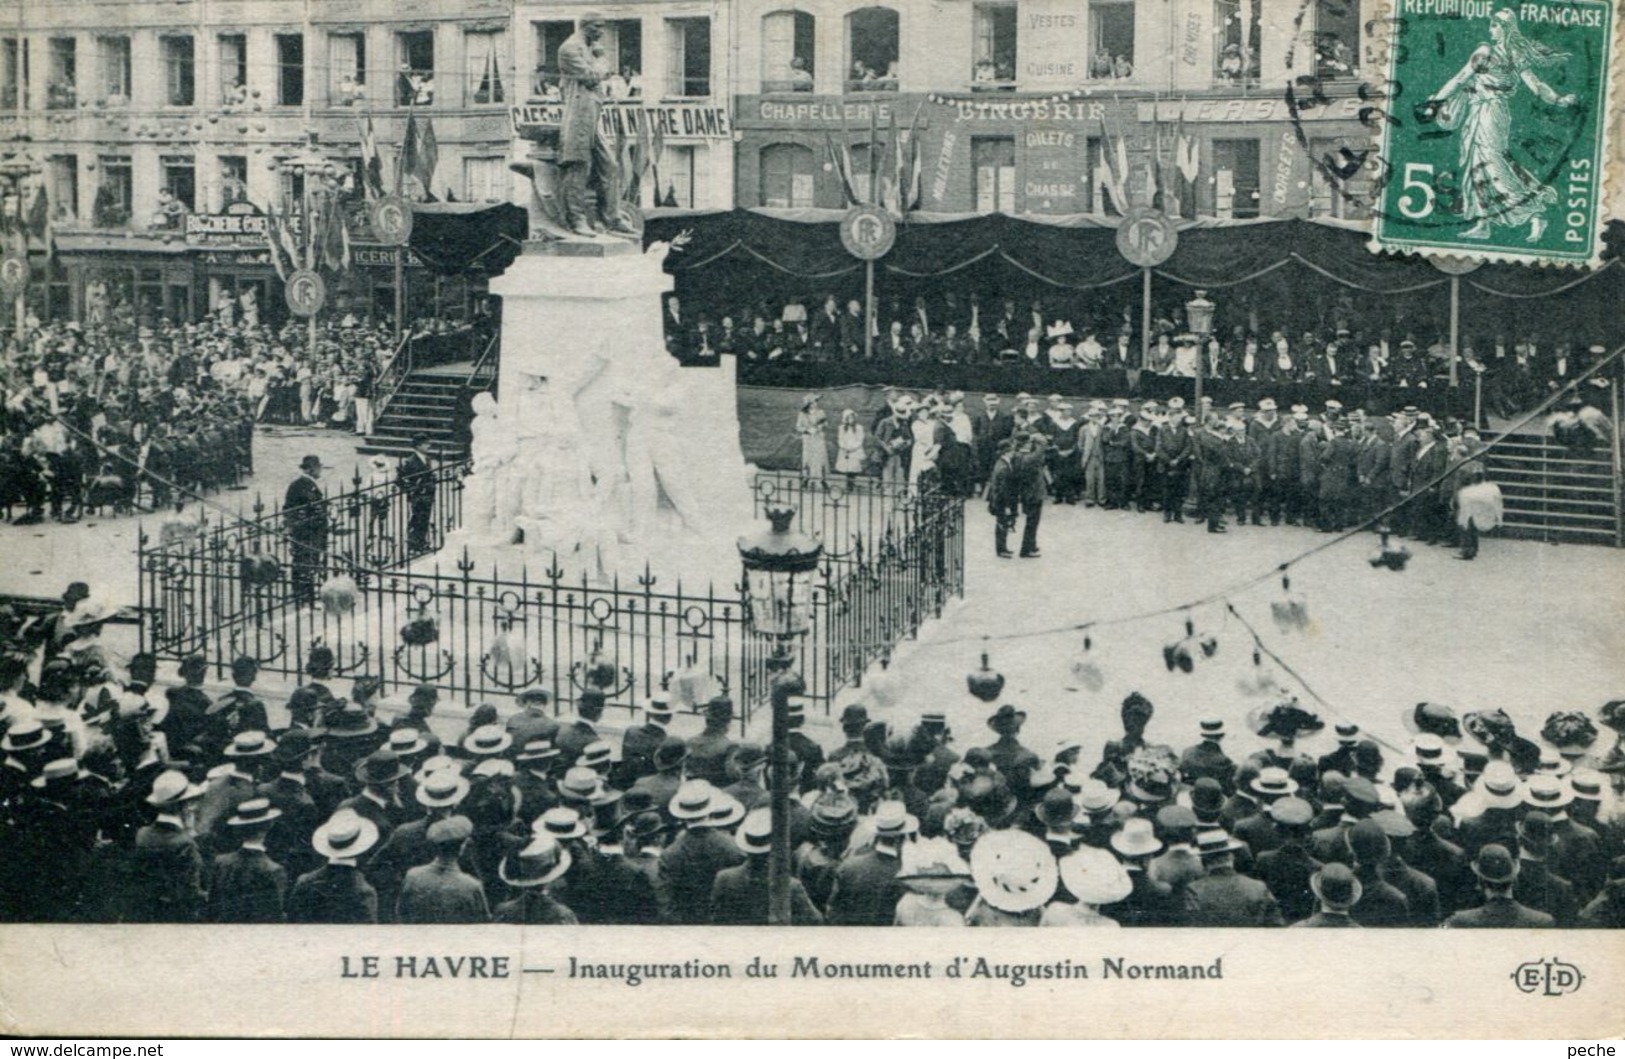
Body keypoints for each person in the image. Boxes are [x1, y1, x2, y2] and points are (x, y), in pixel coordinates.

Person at [1422, 8, 1576, 242]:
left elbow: (1534, 84)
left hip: (1492, 113)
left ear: (1505, 28)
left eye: (1494, 25)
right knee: (1477, 165)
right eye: (1491, 25)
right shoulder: (1490, 52)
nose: (1490, 29)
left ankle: (1535, 213)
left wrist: (1557, 99)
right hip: (1479, 111)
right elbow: (1461, 78)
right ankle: (1483, 223)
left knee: (1493, 164)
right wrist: (1435, 102)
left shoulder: (1507, 54)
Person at [556, 13, 630, 236]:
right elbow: (592, 76)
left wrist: (598, 61)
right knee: (579, 165)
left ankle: (613, 217)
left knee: (610, 164)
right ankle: (576, 219)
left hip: (592, 113)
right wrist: (602, 60)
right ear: (585, 26)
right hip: (578, 114)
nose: (601, 32)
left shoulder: (586, 47)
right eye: (597, 27)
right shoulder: (570, 48)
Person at [284, 454, 328, 607]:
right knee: (306, 560)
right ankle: (303, 593)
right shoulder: (303, 484)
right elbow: (313, 505)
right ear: (311, 469)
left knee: (307, 561)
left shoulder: (307, 482)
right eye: (318, 467)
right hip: (307, 530)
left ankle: (303, 591)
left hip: (308, 529)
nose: (320, 470)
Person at [398, 434, 437, 554]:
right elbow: (400, 479)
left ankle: (421, 543)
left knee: (424, 519)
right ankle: (413, 544)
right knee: (417, 519)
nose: (429, 446)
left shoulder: (427, 458)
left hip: (428, 494)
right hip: (418, 496)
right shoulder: (410, 461)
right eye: (426, 444)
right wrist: (411, 489)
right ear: (418, 446)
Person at [796, 394, 829, 481]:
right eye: (813, 402)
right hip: (808, 439)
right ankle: (806, 479)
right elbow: (798, 426)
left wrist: (819, 427)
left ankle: (822, 479)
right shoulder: (802, 414)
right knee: (808, 459)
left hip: (818, 438)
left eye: (816, 402)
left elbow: (825, 423)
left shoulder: (821, 412)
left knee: (820, 458)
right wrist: (807, 430)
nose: (815, 404)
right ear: (808, 404)